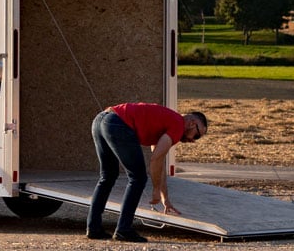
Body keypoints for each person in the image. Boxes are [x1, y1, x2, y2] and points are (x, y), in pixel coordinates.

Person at [86, 102, 208, 243]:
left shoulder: (167, 119)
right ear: (192, 123)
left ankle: (93, 228)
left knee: (108, 176)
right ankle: (123, 230)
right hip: (117, 124)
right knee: (138, 178)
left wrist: (164, 197)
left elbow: (159, 161)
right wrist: (155, 189)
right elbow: (155, 160)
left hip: (101, 120)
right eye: (197, 135)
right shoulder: (178, 125)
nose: (192, 140)